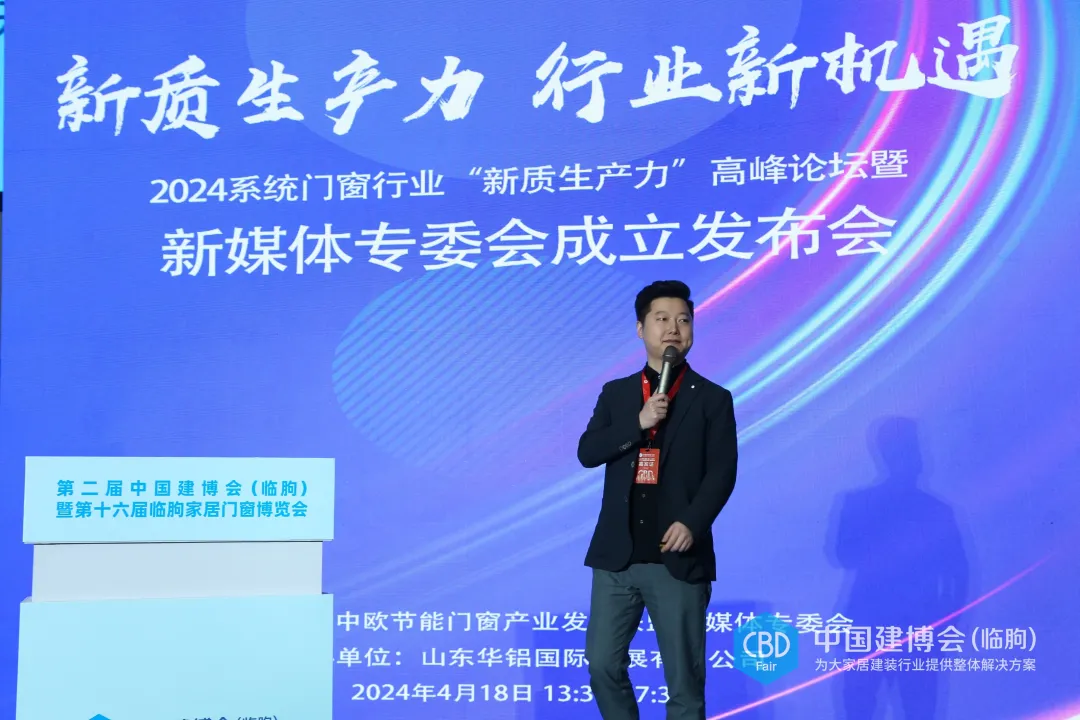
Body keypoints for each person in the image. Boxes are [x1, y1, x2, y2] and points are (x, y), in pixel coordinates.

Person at [578, 280, 738, 720]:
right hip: (618, 557)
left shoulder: (712, 399)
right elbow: (588, 452)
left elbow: (722, 473)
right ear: (640, 328)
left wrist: (692, 522)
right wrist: (638, 422)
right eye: (662, 319)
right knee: (602, 664)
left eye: (683, 320)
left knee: (684, 683)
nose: (673, 329)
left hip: (677, 557)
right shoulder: (617, 394)